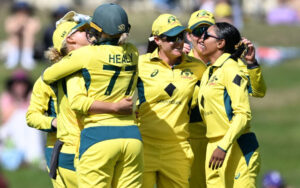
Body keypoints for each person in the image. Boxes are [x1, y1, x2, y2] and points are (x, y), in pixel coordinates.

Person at [41, 3, 143, 187]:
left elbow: (48, 76)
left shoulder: (86, 55)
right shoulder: (133, 52)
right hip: (132, 135)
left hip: (98, 135)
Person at [185, 9, 266, 188]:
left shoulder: (231, 66)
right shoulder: (182, 63)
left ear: (221, 41)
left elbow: (256, 94)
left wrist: (252, 64)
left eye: (206, 33)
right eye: (198, 32)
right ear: (189, 36)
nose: (201, 38)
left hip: (229, 141)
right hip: (196, 141)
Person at [136, 13, 206, 188]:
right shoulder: (141, 64)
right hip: (145, 145)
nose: (178, 41)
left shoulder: (197, 67)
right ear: (158, 40)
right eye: (172, 38)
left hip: (178, 149)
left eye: (181, 36)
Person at [0, 69, 43, 170]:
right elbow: (5, 119)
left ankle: (33, 156)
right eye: (17, 83)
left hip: (28, 132)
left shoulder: (32, 97)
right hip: (11, 133)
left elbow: (39, 114)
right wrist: (18, 103)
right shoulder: (7, 97)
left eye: (22, 83)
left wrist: (29, 99)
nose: (20, 87)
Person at [4, 1, 40, 70]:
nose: (22, 13)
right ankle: (12, 59)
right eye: (19, 11)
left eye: (24, 11)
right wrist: (19, 25)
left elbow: (33, 31)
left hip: (30, 47)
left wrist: (25, 24)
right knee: (14, 36)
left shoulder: (33, 20)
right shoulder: (10, 19)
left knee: (28, 35)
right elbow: (9, 30)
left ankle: (27, 58)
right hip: (12, 46)